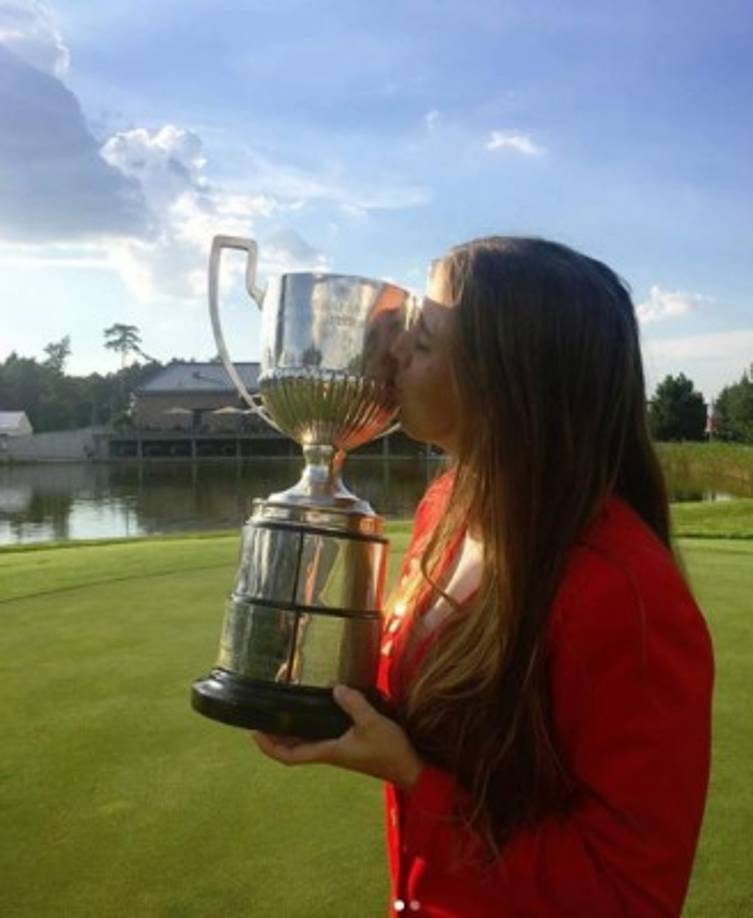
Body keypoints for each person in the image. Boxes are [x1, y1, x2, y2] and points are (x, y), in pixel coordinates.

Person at [253, 237, 714, 917]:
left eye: (422, 340)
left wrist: (410, 777)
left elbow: (627, 896)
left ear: (502, 384)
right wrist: (320, 701)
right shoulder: (446, 508)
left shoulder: (626, 595)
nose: (392, 352)